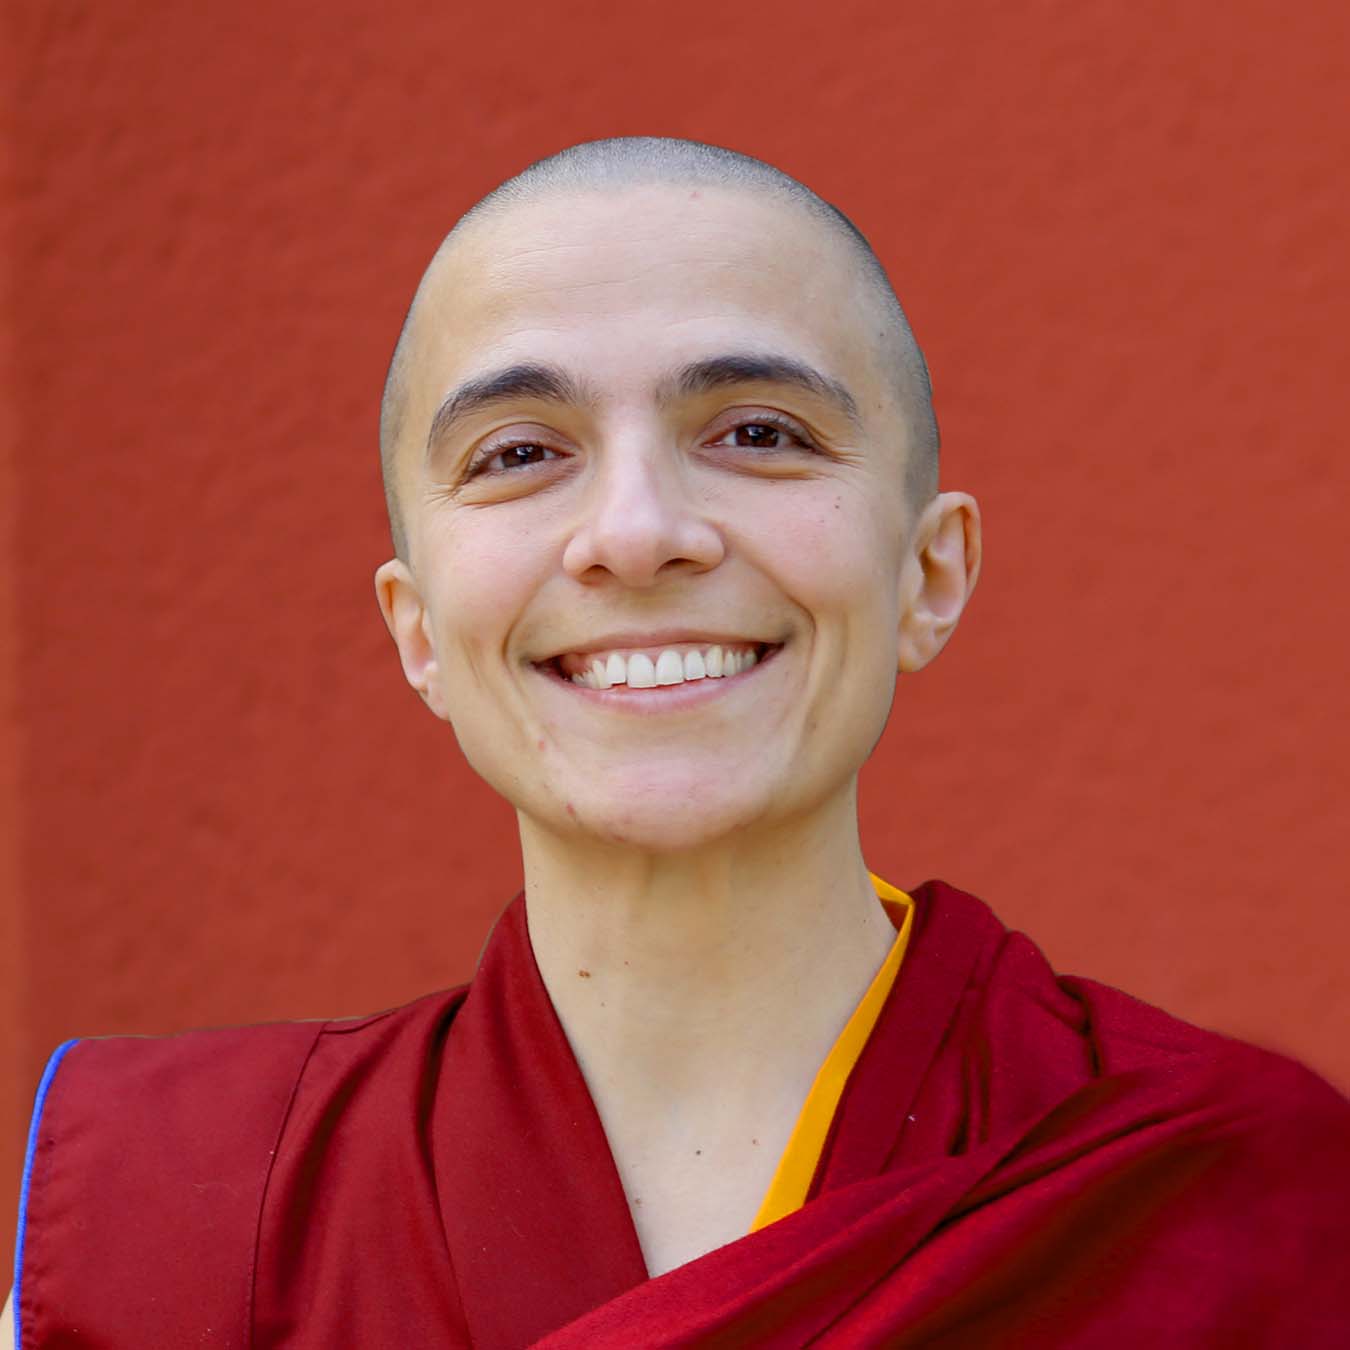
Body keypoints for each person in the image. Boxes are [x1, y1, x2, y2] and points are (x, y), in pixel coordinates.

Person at [5, 137, 1348, 1347]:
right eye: (520, 453)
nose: (638, 533)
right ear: (418, 631)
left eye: (758, 433)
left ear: (929, 576)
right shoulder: (185, 1216)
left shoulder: (1231, 1206)